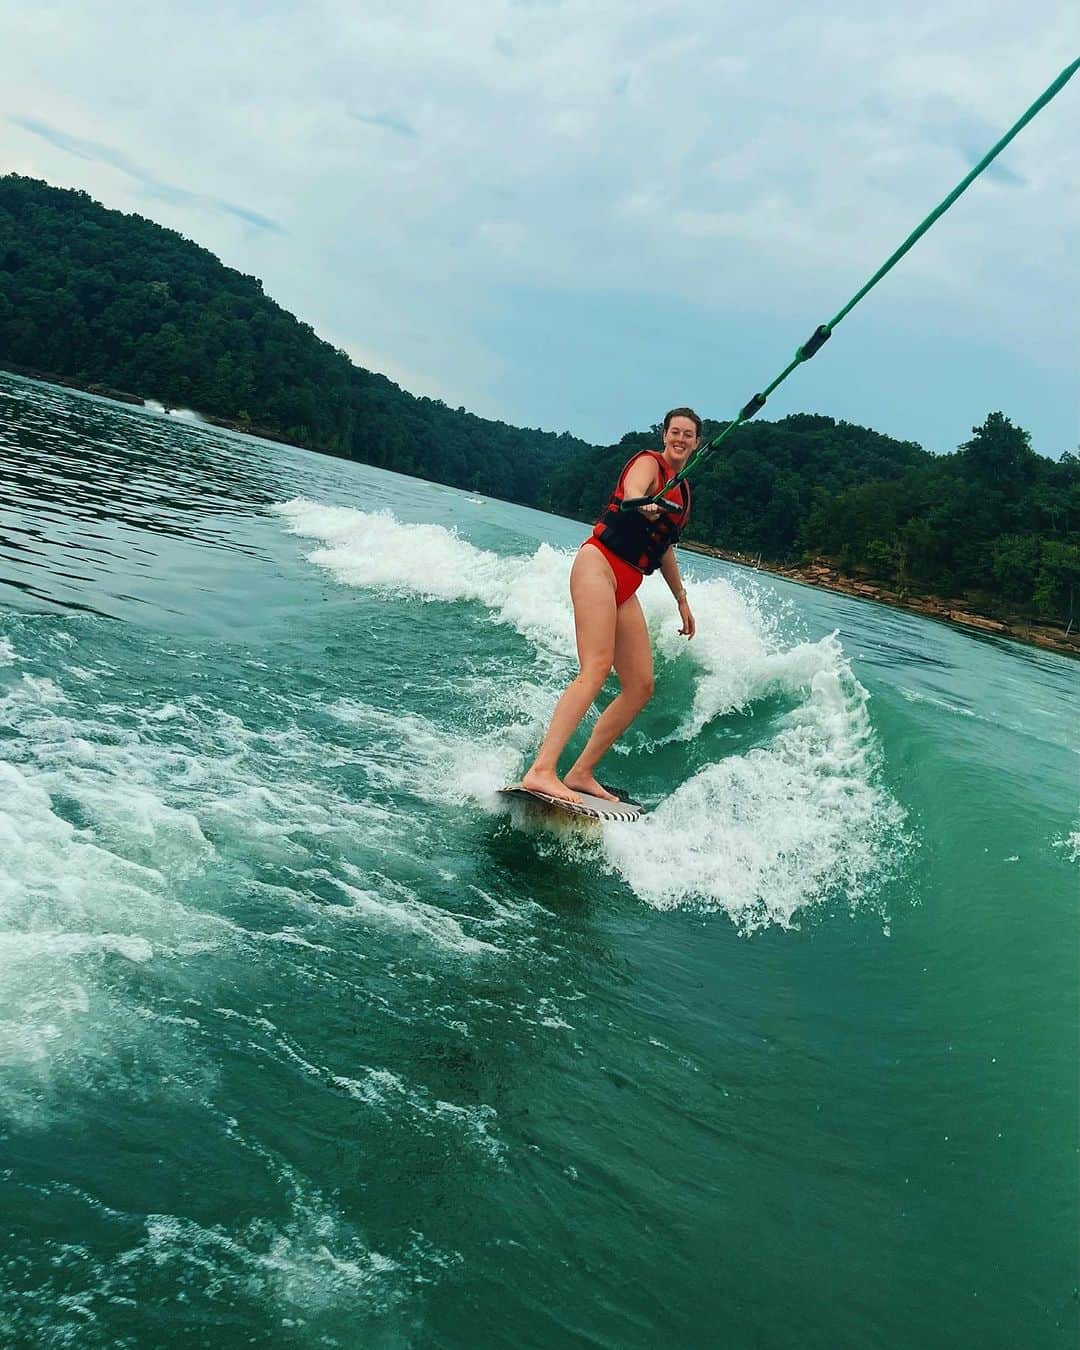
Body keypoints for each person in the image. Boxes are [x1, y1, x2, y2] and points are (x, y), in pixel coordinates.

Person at [521, 407, 699, 805]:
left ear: (696, 442)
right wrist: (642, 503)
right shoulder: (648, 463)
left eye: (688, 434)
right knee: (597, 668)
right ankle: (541, 771)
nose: (680, 439)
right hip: (598, 566)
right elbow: (635, 491)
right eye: (675, 432)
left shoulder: (683, 491)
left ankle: (581, 772)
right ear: (664, 434)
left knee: (640, 686)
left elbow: (665, 548)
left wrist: (682, 599)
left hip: (626, 586)